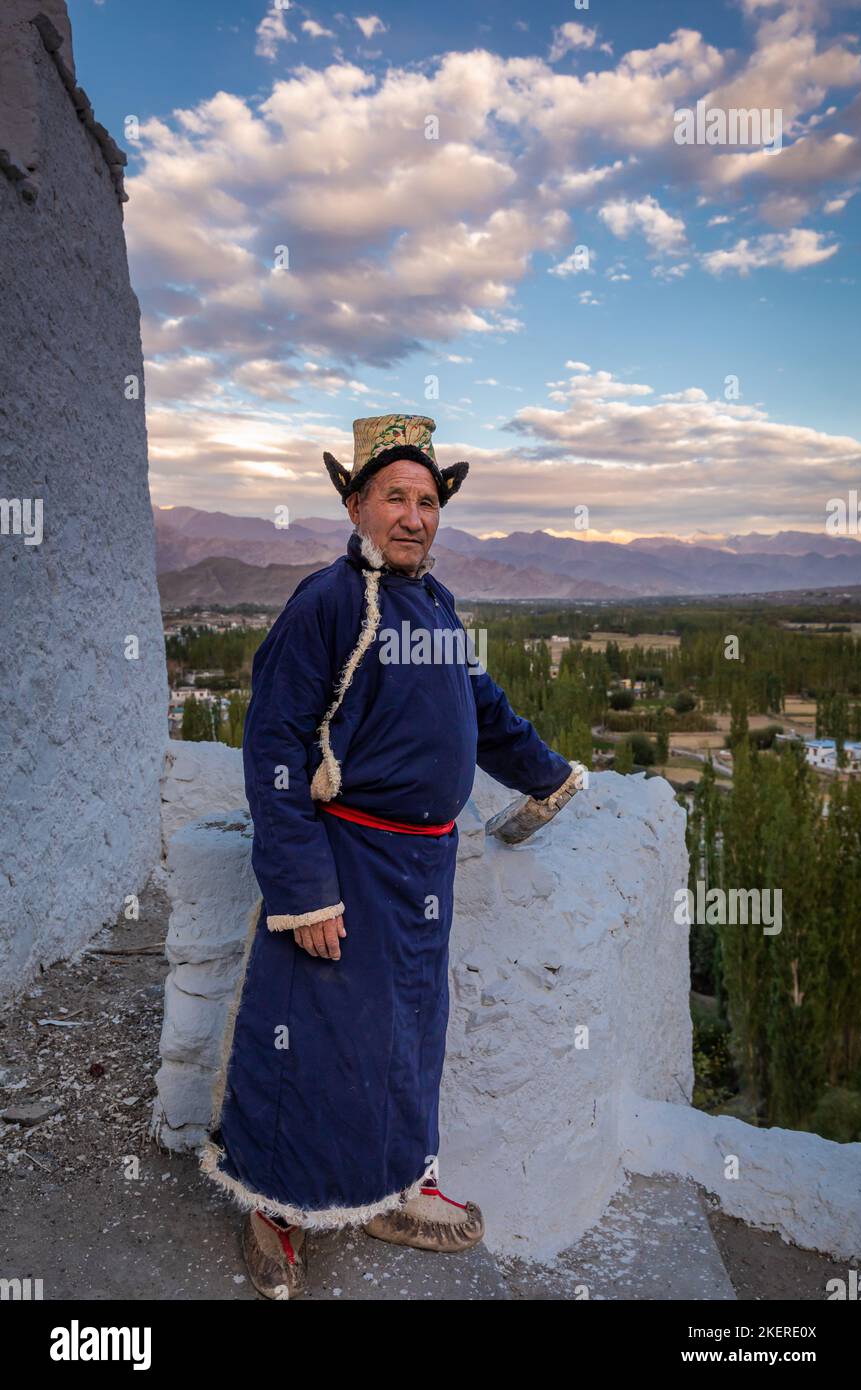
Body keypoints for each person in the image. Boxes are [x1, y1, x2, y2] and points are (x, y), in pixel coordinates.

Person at [199, 414, 580, 1299]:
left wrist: (546, 774)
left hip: (424, 870)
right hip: (348, 865)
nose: (416, 516)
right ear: (354, 503)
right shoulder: (327, 604)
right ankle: (274, 1207)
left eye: (427, 500)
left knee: (409, 1037)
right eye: (395, 498)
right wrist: (304, 891)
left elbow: (476, 707)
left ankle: (391, 1188)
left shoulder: (436, 604)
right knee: (314, 1044)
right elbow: (276, 748)